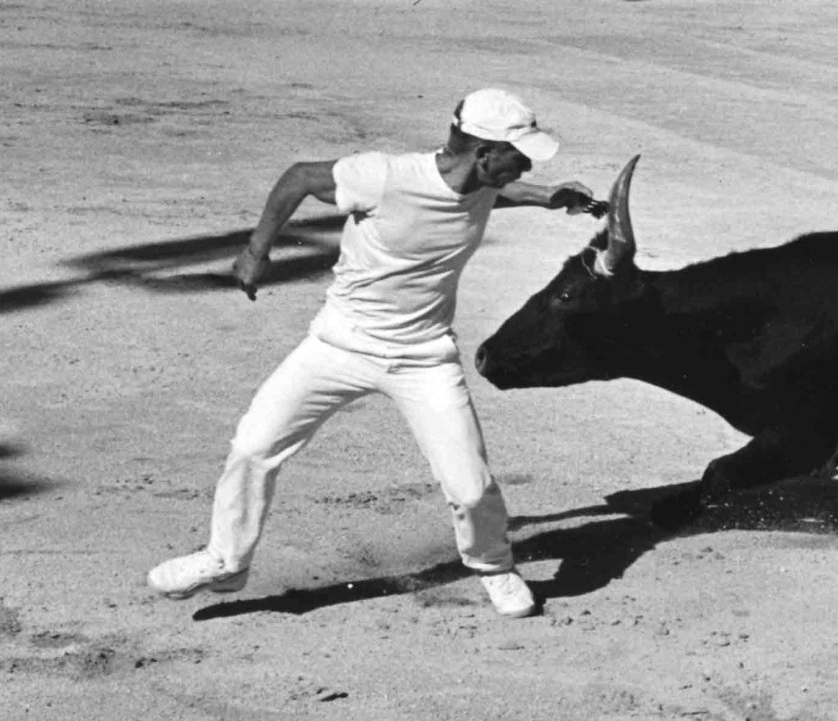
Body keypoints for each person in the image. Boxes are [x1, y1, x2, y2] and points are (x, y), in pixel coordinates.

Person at [147, 88, 597, 617]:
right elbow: (298, 177)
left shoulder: (480, 180)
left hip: (424, 357)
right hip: (338, 345)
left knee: (471, 488)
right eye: (517, 156)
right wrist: (255, 251)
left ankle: (494, 566)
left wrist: (546, 196)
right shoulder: (383, 175)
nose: (523, 165)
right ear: (482, 152)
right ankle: (226, 560)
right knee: (253, 446)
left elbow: (484, 195)